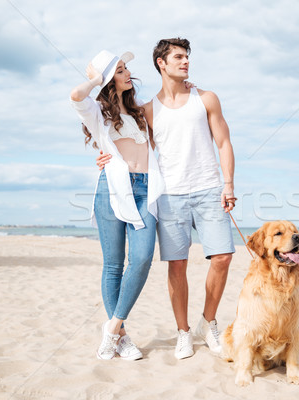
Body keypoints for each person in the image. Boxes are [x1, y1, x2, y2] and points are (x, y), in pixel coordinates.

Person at [97, 37, 236, 360]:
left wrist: (228, 184)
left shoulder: (206, 98)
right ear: (161, 62)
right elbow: (127, 142)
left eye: (187, 56)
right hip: (169, 195)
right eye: (178, 56)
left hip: (208, 189)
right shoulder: (146, 111)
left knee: (223, 257)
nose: (185, 61)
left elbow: (224, 143)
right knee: (177, 265)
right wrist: (104, 157)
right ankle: (183, 332)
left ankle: (208, 322)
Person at [70, 50, 165, 361]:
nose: (127, 74)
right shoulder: (97, 111)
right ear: (110, 79)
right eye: (120, 70)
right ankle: (122, 337)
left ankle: (111, 329)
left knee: (141, 259)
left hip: (146, 190)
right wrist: (97, 78)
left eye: (126, 69)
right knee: (113, 264)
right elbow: (75, 95)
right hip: (112, 190)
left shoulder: (139, 111)